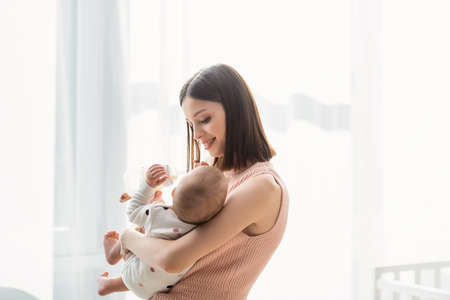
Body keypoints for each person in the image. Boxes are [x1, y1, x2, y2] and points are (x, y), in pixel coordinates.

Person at [120, 63, 289, 299]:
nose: (197, 135)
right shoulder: (213, 171)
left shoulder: (261, 186)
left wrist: (128, 238)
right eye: (191, 125)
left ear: (236, 110)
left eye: (204, 119)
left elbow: (172, 259)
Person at [97, 163, 228, 298]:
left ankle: (113, 254)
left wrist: (148, 185)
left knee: (133, 232)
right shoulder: (202, 231)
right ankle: (108, 286)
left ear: (173, 191)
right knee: (148, 270)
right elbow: (174, 227)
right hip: (156, 289)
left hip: (135, 267)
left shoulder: (156, 213)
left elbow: (133, 211)